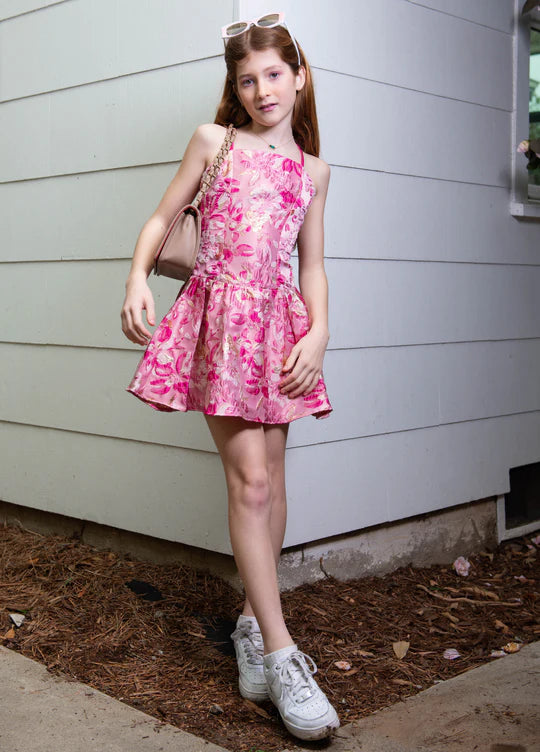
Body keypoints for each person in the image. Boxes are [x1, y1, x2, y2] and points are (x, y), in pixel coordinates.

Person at [120, 12, 339, 742]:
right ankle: (281, 655)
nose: (262, 90)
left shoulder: (313, 172)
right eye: (247, 80)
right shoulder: (213, 142)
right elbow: (162, 218)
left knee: (272, 481)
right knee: (249, 482)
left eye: (274, 74)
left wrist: (320, 332)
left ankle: (251, 626)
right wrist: (137, 278)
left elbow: (311, 264)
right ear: (235, 88)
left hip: (281, 331)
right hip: (221, 324)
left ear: (299, 76)